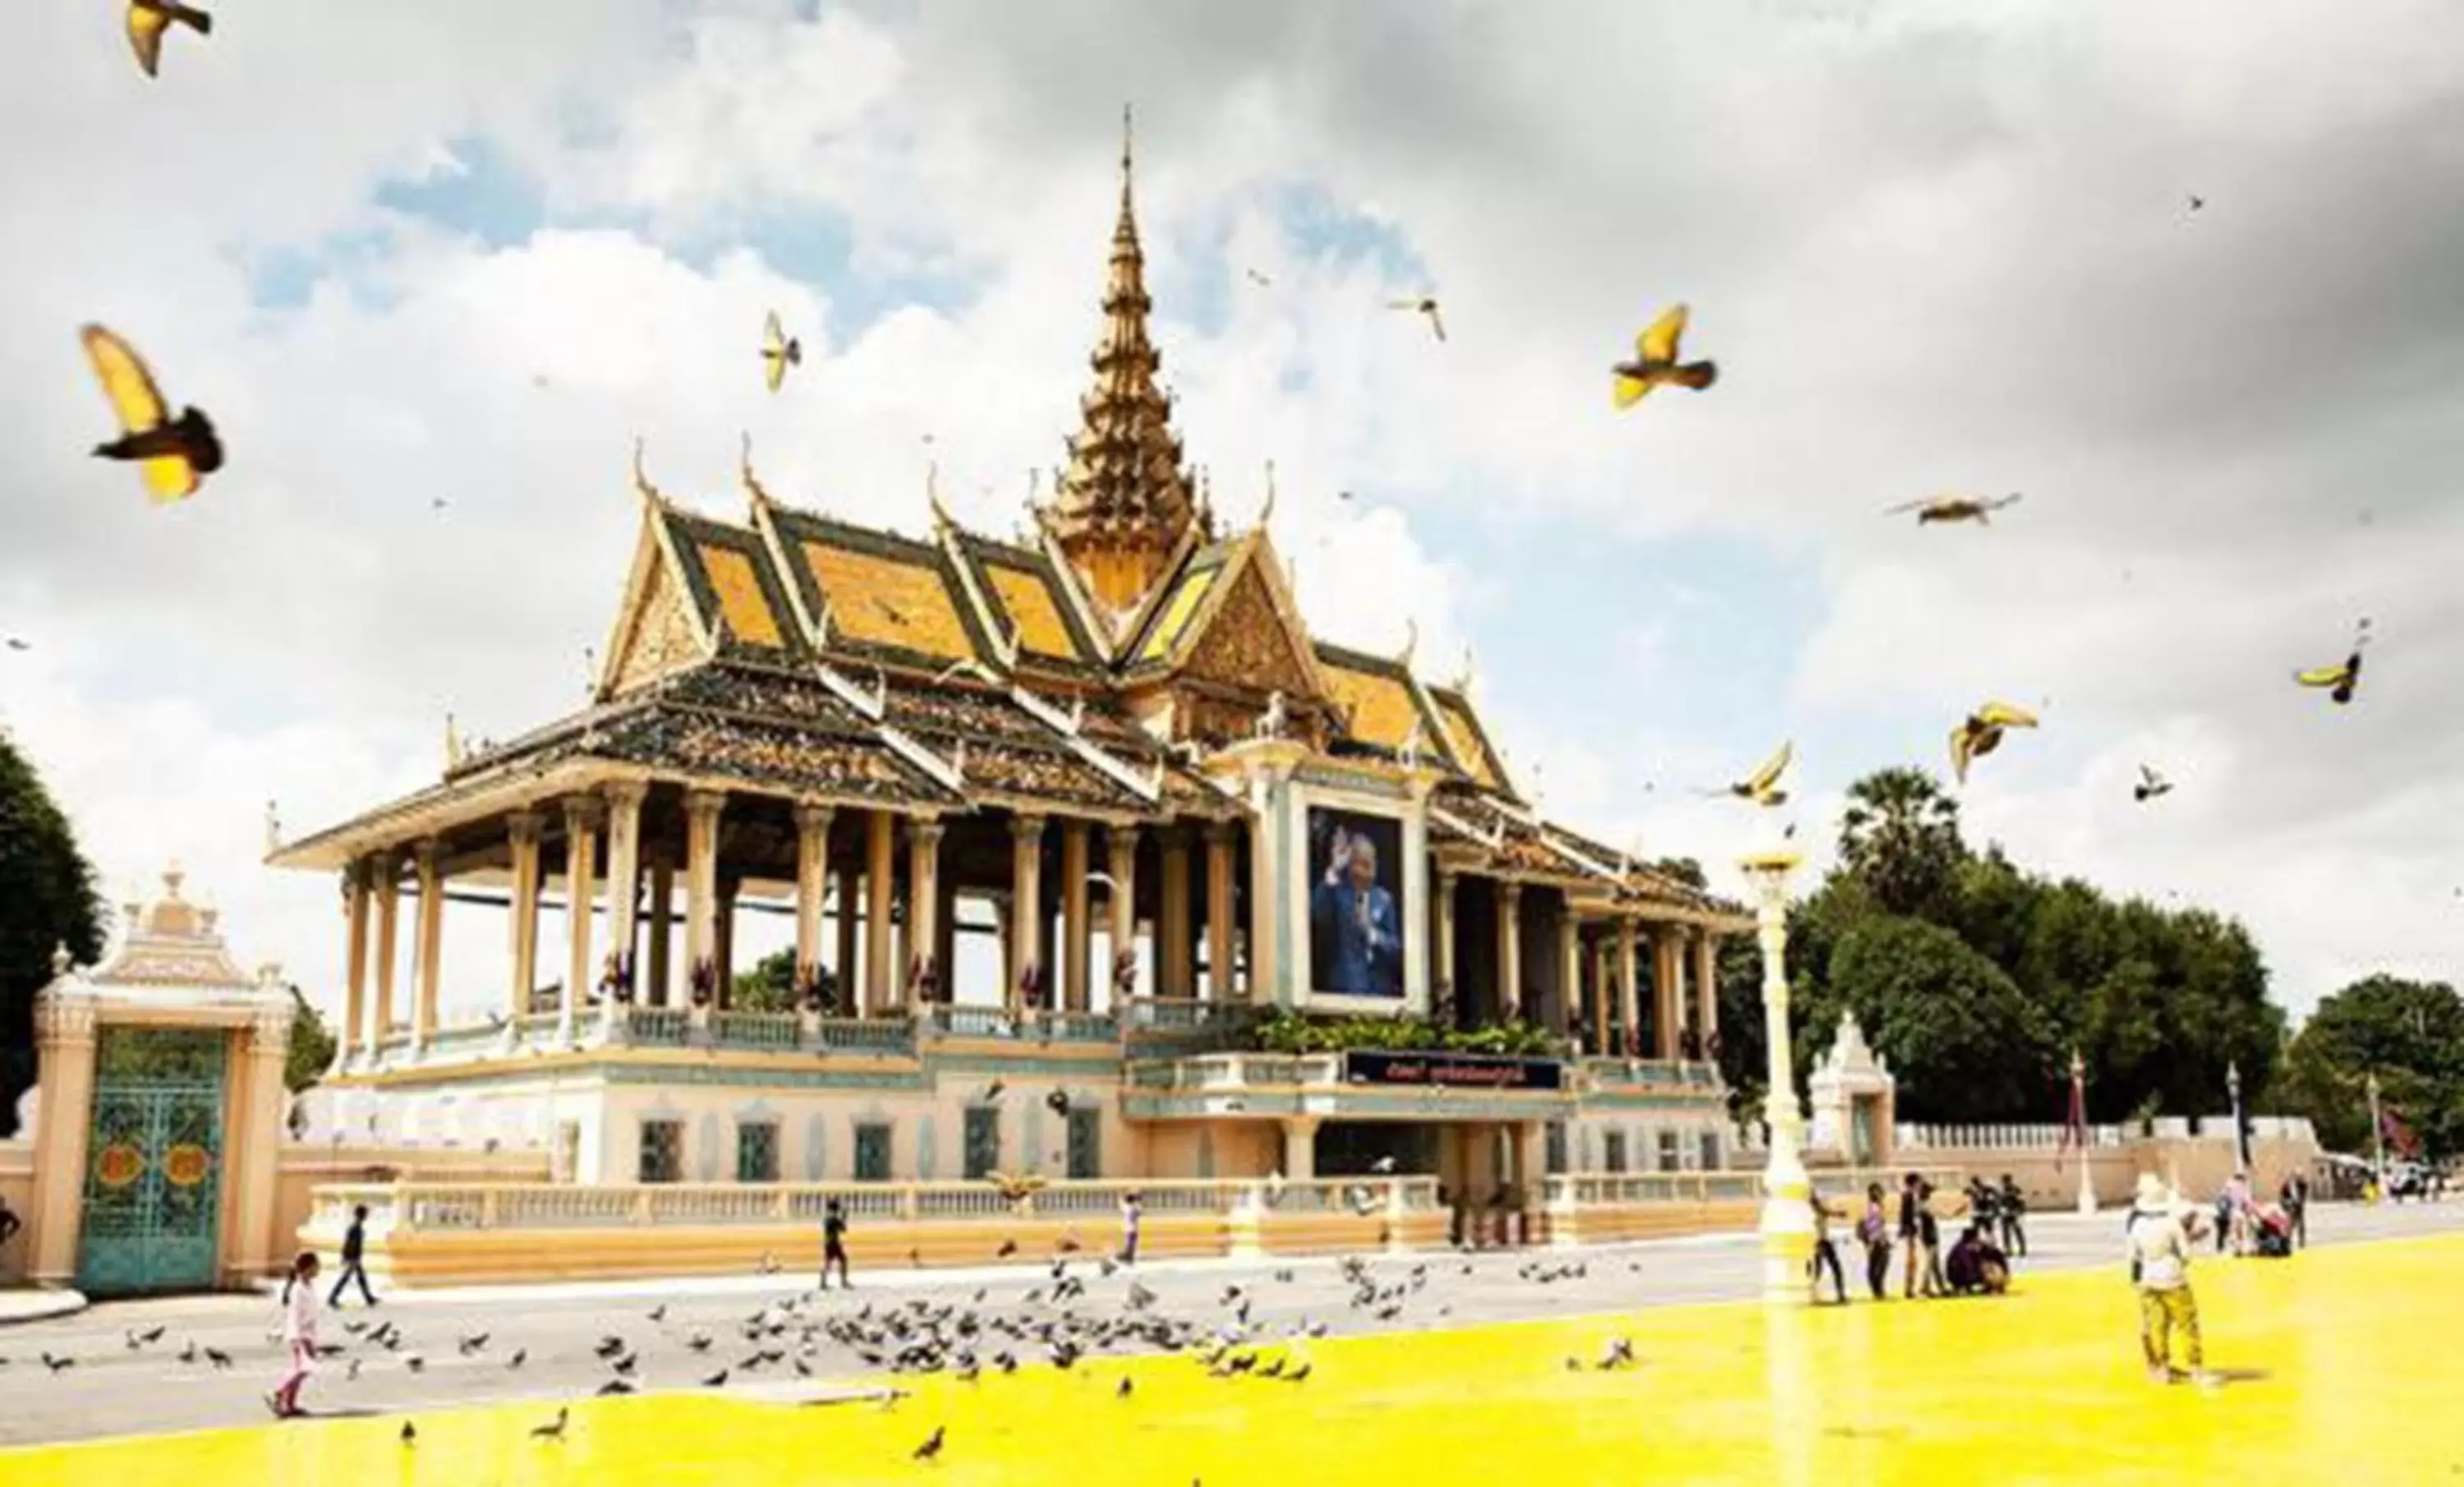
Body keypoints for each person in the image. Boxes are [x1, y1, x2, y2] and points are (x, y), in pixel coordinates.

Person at [2125, 1173, 2215, 1387]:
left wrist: (2137, 1278)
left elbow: (2133, 1256)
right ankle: (2196, 1369)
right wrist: (2179, 1262)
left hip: (2148, 1279)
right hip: (2172, 1278)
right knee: (2187, 1323)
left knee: (2156, 1325)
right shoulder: (2171, 1223)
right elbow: (2185, 1254)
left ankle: (2162, 1369)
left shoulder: (2136, 1225)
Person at [1309, 827, 1401, 997]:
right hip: (1343, 990)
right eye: (1362, 864)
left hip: (1378, 993)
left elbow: (1395, 948)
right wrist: (1334, 870)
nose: (1368, 872)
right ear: (1350, 865)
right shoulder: (1337, 893)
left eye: (1371, 864)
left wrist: (1373, 934)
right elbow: (1318, 913)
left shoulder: (1383, 899)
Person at [268, 1250, 322, 1417]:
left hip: (308, 1333)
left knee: (302, 1368)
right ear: (307, 1268)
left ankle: (290, 1404)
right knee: (303, 1368)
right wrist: (300, 1339)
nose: (318, 1270)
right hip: (299, 1334)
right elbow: (297, 1316)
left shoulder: (309, 1286)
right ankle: (278, 1392)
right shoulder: (298, 1289)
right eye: (316, 1266)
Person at [327, 1204, 377, 1308]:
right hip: (353, 1257)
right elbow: (351, 1244)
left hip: (354, 1257)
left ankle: (368, 1297)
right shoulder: (356, 1229)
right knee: (346, 1279)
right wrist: (351, 1258)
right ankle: (332, 1298)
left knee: (361, 1277)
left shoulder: (355, 1228)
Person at [1944, 1222, 2011, 1296]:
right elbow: (1968, 1265)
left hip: (1972, 1274)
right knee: (1986, 1267)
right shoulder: (1962, 1249)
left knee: (1989, 1266)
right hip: (1961, 1276)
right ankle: (1962, 1287)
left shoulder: (1981, 1247)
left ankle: (1992, 1286)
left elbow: (1998, 1256)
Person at [1808, 1193, 1848, 1303]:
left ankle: (1840, 1294)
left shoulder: (1813, 1210)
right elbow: (1824, 1211)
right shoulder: (1813, 1211)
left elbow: (1825, 1212)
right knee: (1819, 1270)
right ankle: (1813, 1295)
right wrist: (1838, 1214)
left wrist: (1837, 1214)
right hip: (1818, 1242)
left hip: (1820, 1241)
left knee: (1819, 1270)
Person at [1857, 1183, 1892, 1301]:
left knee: (1878, 1265)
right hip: (1876, 1240)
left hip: (1877, 1239)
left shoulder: (1876, 1206)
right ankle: (1878, 1291)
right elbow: (1873, 1225)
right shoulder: (1874, 1208)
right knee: (1878, 1265)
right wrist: (1880, 1240)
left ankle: (1878, 1290)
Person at [1898, 1172, 1927, 1299]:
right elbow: (1907, 1216)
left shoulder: (1910, 1196)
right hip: (1912, 1233)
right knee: (1914, 1261)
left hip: (1912, 1232)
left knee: (1913, 1261)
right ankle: (1912, 1290)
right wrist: (1909, 1232)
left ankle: (1910, 1289)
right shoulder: (1909, 1196)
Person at [1917, 1181, 1947, 1296]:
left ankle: (1941, 1287)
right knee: (1929, 1264)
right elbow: (1936, 1215)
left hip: (1929, 1236)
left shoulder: (1921, 1204)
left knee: (1935, 1265)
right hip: (1930, 1237)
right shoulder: (1924, 1205)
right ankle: (1924, 1288)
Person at [819, 1198, 851, 1290]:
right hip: (834, 1242)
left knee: (827, 1262)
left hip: (827, 1242)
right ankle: (843, 1281)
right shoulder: (834, 1218)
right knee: (843, 1260)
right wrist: (844, 1218)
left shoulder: (826, 1218)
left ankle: (823, 1283)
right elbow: (843, 1229)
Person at [1997, 1174, 2028, 1257]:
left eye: (2006, 1182)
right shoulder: (2001, 1191)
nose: (2005, 1184)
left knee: (2017, 1232)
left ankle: (2022, 1249)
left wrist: (2020, 1212)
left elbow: (2021, 1201)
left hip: (2015, 1214)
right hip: (2005, 1214)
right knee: (2006, 1233)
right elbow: (1999, 1202)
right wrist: (2001, 1210)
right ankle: (2008, 1250)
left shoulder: (2016, 1190)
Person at [1119, 1190, 1143, 1266]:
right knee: (1132, 1246)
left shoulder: (1126, 1207)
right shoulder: (1137, 1208)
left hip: (1129, 1229)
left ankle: (1128, 1259)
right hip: (1135, 1229)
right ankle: (1130, 1260)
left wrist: (1121, 1193)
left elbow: (1121, 1201)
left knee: (1129, 1245)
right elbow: (1139, 1211)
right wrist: (1137, 1198)